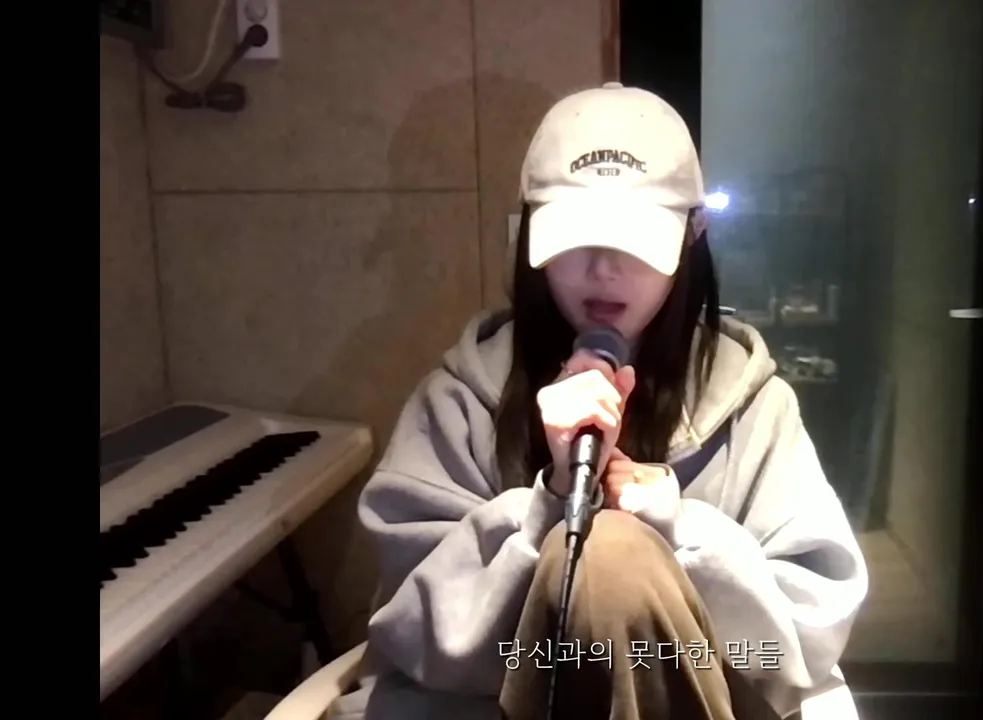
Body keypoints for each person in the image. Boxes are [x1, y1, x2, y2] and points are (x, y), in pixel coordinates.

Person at [332, 82, 868, 720]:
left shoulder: (756, 410)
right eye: (574, 237)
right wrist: (550, 506)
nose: (603, 268)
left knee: (614, 553)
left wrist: (677, 531)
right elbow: (417, 639)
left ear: (693, 235)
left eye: (636, 240)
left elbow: (801, 639)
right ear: (530, 234)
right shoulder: (461, 402)